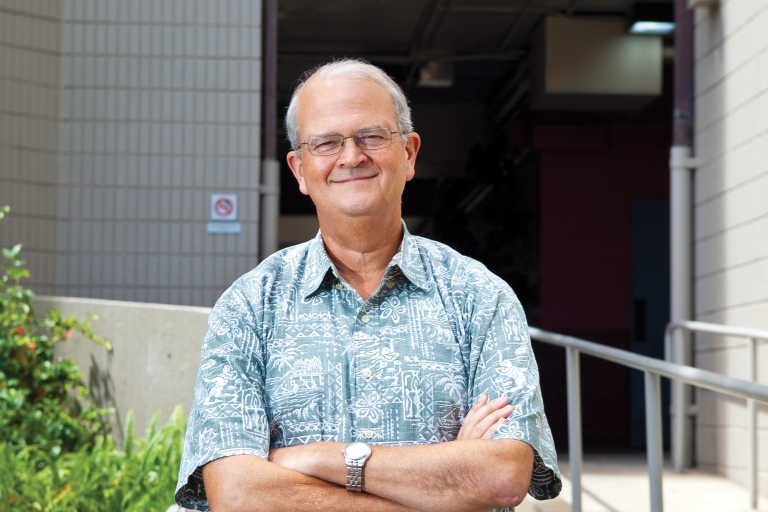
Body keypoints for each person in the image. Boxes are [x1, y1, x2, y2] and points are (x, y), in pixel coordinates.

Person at [175, 59, 561, 512]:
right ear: (299, 170)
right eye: (326, 143)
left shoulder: (480, 297)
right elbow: (237, 493)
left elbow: (501, 475)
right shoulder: (249, 306)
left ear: (409, 153)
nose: (352, 156)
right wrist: (446, 485)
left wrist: (320, 458)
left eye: (372, 136)